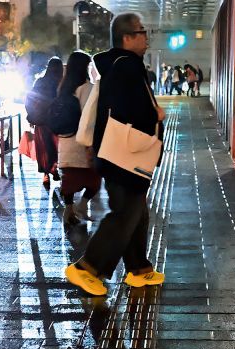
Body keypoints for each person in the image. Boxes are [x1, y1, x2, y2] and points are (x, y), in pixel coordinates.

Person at [65, 12, 166, 296]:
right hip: (123, 156)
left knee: (136, 213)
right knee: (124, 213)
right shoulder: (126, 66)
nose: (146, 38)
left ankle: (138, 270)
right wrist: (154, 114)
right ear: (127, 38)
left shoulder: (116, 65)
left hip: (116, 153)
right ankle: (87, 268)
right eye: (142, 32)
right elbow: (128, 110)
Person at [55, 51, 102, 227]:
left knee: (69, 180)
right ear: (85, 67)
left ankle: (69, 210)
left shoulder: (63, 89)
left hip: (65, 142)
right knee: (93, 179)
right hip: (84, 143)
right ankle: (82, 205)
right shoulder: (88, 88)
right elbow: (91, 117)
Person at [26, 57, 64, 188]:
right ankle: (54, 168)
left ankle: (46, 174)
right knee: (56, 147)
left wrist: (31, 115)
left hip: (41, 121)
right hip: (57, 122)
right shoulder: (62, 83)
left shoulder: (40, 82)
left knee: (43, 148)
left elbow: (30, 99)